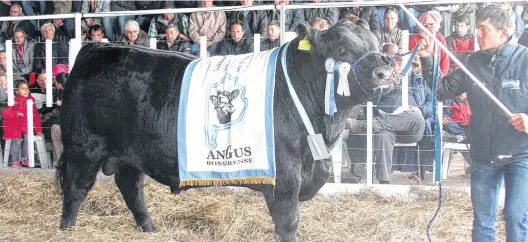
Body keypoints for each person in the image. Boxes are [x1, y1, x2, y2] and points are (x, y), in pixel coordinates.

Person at [418, 4, 528, 241]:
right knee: (482, 222)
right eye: (477, 27)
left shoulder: (525, 61)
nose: (477, 34)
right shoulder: (473, 62)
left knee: (516, 217)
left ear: (504, 31)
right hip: (482, 156)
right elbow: (441, 89)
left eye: (483, 28)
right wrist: (427, 59)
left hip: (521, 156)